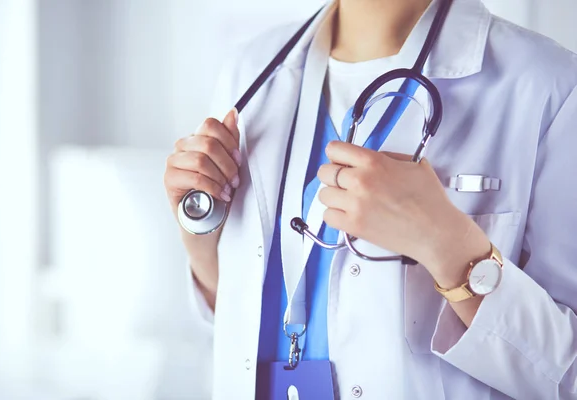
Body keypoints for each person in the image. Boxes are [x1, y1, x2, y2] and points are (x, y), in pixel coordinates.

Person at [163, 0, 577, 398]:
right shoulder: (249, 70)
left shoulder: (547, 85)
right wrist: (200, 241)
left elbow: (569, 373)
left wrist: (446, 244)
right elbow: (240, 312)